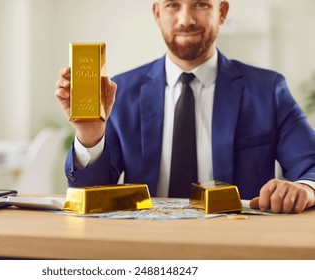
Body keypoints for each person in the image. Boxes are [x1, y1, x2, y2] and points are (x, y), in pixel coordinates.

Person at [55, 0, 315, 214]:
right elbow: (89, 196)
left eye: (200, 4)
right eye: (172, 5)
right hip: (145, 247)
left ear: (221, 12)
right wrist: (90, 136)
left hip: (239, 247)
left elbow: (310, 165)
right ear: (157, 13)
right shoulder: (120, 92)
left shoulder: (267, 90)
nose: (186, 19)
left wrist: (304, 187)